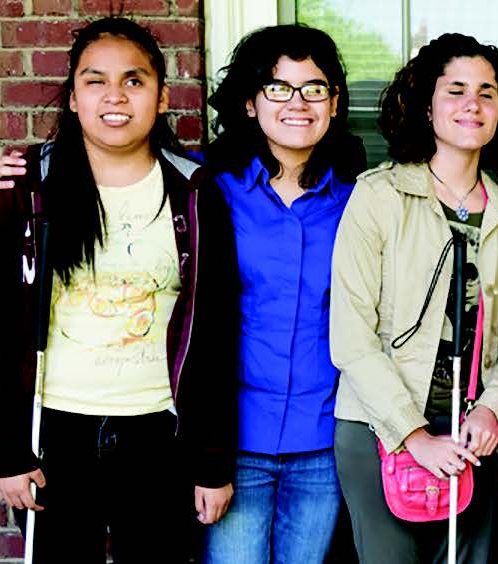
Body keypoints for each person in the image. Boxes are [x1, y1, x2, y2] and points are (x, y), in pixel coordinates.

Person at [0, 17, 238, 561]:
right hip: (55, 431)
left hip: (160, 433)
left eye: (134, 81)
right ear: (72, 98)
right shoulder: (28, 188)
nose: (116, 96)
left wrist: (211, 462)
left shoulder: (194, 193)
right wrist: (10, 452)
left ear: (161, 99)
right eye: (96, 80)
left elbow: (215, 331)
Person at [328, 32, 498, 563]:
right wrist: (414, 435)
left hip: (475, 434)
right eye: (456, 90)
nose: (473, 103)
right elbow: (351, 338)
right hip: (381, 426)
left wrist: (492, 410)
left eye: (487, 93)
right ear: (426, 107)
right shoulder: (377, 197)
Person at [193, 24, 365, 564]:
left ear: (334, 103)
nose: (297, 103)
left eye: (314, 88)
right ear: (249, 102)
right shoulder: (208, 190)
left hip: (323, 437)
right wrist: (27, 174)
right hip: (234, 440)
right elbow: (115, 168)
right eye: (278, 88)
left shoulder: (361, 200)